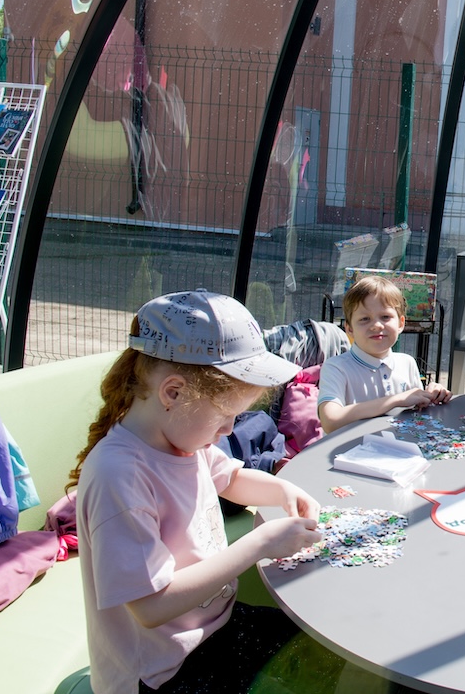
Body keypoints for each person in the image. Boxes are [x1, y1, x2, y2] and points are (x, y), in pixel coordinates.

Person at [70, 290, 325, 693]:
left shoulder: (186, 441)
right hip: (159, 673)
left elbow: (232, 479)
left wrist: (282, 489)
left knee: (323, 651)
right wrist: (260, 543)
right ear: (172, 393)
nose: (229, 431)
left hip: (213, 628)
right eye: (225, 416)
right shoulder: (118, 474)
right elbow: (151, 607)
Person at [317, 275, 451, 433]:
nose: (376, 325)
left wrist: (432, 395)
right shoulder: (336, 367)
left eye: (385, 317)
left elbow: (417, 413)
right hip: (348, 454)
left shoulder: (407, 363)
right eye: (365, 319)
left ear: (401, 323)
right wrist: (395, 400)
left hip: (399, 450)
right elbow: (330, 421)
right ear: (349, 329)